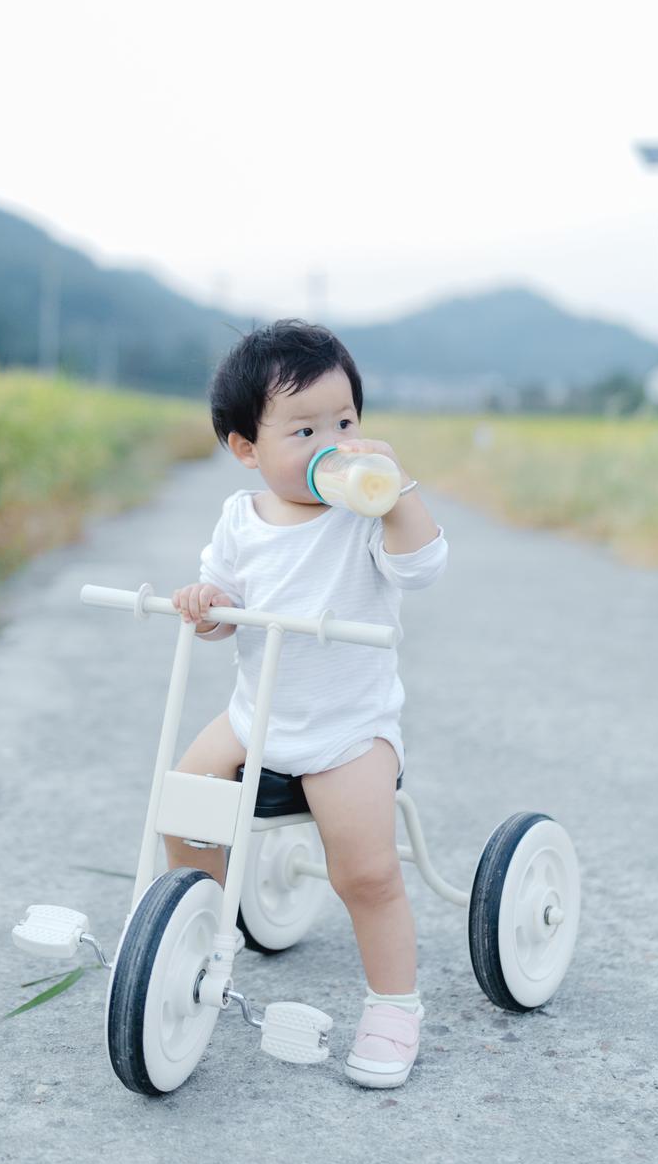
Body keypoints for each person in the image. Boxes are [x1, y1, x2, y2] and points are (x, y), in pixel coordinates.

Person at [165, 319, 448, 1089]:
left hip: (347, 731)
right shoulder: (240, 519)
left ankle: (394, 1006)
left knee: (365, 873)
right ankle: (200, 929)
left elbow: (422, 568)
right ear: (245, 448)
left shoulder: (364, 513)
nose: (333, 444)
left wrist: (397, 491)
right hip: (256, 717)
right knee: (184, 805)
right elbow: (224, 612)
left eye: (346, 423)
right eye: (305, 431)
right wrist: (207, 605)